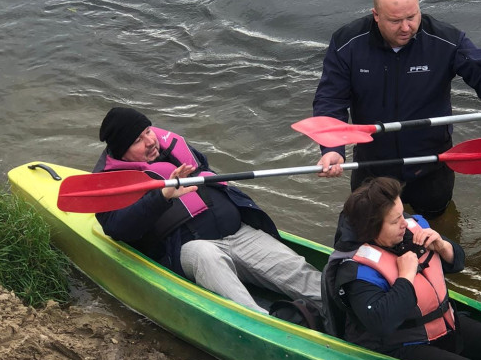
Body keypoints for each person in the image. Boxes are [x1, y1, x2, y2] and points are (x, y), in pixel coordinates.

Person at [313, 0, 481, 218]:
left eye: (412, 17)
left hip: (431, 162)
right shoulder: (347, 43)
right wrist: (332, 148)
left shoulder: (444, 39)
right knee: (370, 229)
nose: (406, 27)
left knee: (436, 226)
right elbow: (330, 100)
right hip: (373, 164)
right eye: (395, 20)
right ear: (376, 15)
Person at [93, 106, 322, 314]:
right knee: (208, 256)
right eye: (137, 141)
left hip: (238, 232)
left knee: (298, 271)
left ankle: (346, 312)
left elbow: (204, 169)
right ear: (122, 151)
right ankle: (262, 321)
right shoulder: (111, 182)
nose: (150, 141)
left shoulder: (171, 147)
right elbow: (117, 228)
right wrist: (161, 196)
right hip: (191, 249)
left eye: (148, 132)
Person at [321, 177, 481, 360]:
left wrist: (444, 246)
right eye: (394, 220)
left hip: (444, 325)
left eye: (402, 213)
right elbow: (381, 321)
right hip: (398, 345)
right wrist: (406, 275)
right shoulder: (355, 271)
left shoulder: (410, 229)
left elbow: (456, 263)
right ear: (372, 228)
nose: (404, 222)